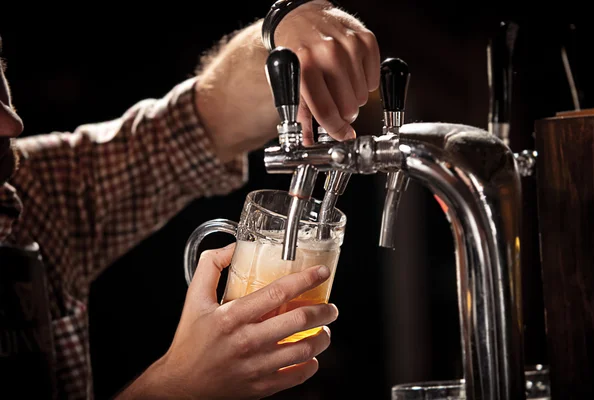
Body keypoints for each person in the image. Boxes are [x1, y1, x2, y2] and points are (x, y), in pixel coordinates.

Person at [0, 1, 380, 398]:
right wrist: (175, 386)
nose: (11, 123)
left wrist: (280, 29)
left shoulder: (38, 187)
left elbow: (195, 123)